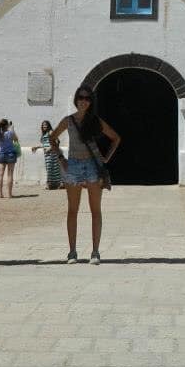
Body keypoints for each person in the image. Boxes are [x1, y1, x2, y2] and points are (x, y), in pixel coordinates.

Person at [49, 85, 121, 265]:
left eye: (87, 98)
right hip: (73, 165)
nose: (84, 101)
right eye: (81, 97)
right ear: (76, 99)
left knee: (95, 210)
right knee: (72, 210)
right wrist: (60, 158)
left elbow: (116, 138)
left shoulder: (95, 121)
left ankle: (95, 252)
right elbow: (52, 137)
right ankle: (72, 252)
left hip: (92, 166)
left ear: (91, 102)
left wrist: (105, 159)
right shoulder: (68, 121)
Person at [30, 120, 63, 190]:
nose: (44, 126)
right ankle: (56, 183)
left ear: (48, 126)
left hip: (52, 153)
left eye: (45, 125)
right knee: (52, 168)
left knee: (51, 168)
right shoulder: (44, 134)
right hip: (47, 154)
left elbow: (57, 141)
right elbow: (45, 144)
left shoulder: (50, 132)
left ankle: (50, 184)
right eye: (43, 125)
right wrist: (36, 147)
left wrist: (50, 148)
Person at [0, 118, 19, 198]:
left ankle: (0, 194)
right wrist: (12, 129)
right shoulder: (10, 132)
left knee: (0, 174)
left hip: (1, 154)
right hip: (10, 154)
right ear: (6, 125)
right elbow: (16, 139)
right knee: (10, 174)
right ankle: (9, 194)